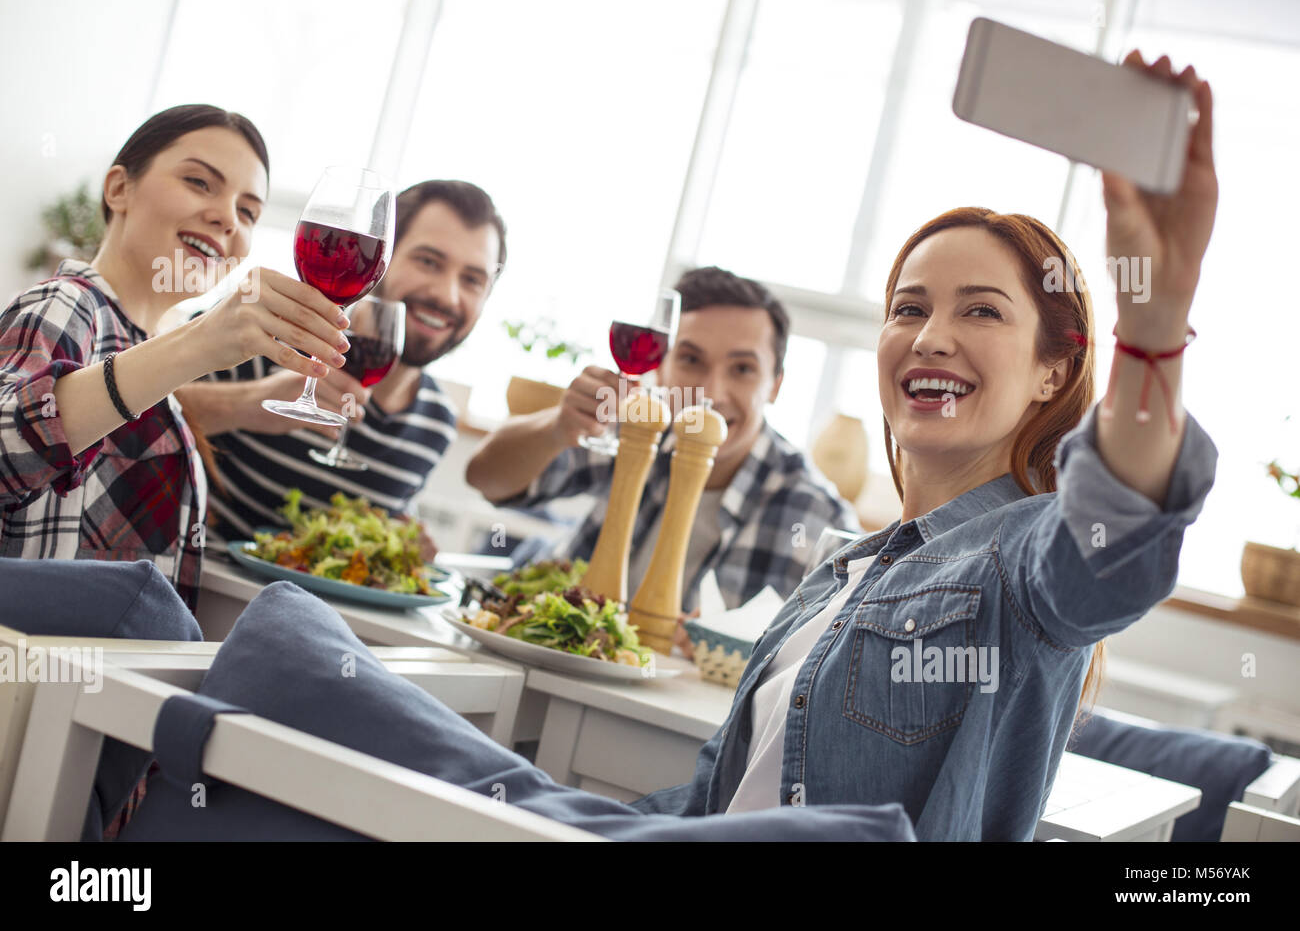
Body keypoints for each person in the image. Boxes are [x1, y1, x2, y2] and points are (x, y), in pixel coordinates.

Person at [323, 50, 1216, 841]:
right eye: (910, 308)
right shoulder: (846, 569)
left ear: (1053, 375)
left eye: (980, 310)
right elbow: (722, 801)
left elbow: (1119, 536)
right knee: (326, 675)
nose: (931, 336)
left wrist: (1154, 314)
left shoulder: (1027, 560)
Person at [0, 104, 350, 609]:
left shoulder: (143, 344)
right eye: (199, 182)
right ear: (119, 188)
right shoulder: (69, 305)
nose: (227, 217)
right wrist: (200, 344)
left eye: (248, 211)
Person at [466, 266, 860, 614]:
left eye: (742, 369)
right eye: (691, 360)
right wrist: (558, 426)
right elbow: (486, 478)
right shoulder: (635, 425)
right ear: (661, 368)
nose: (711, 393)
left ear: (775, 385)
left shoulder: (820, 517)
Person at [176, 180, 506, 543]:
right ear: (381, 258)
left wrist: (397, 543)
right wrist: (248, 403)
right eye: (428, 261)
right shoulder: (267, 331)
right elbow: (131, 412)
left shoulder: (437, 425)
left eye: (473, 280)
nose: (447, 294)